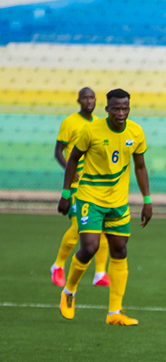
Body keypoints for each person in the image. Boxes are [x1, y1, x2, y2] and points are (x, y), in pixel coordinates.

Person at [57, 88, 152, 325]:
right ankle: (69, 292)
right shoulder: (91, 130)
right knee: (90, 247)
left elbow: (140, 167)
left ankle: (114, 313)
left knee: (120, 250)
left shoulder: (136, 132)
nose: (121, 113)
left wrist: (147, 200)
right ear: (107, 109)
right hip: (90, 197)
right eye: (116, 108)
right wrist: (66, 193)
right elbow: (72, 159)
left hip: (118, 201)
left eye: (125, 108)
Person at [50, 87, 111, 288]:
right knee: (78, 228)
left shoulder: (99, 124)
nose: (89, 101)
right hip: (76, 186)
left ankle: (100, 273)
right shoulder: (70, 122)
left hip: (94, 185)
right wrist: (69, 169)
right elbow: (58, 151)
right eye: (85, 98)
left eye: (92, 97)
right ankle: (58, 266)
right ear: (79, 100)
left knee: (100, 229)